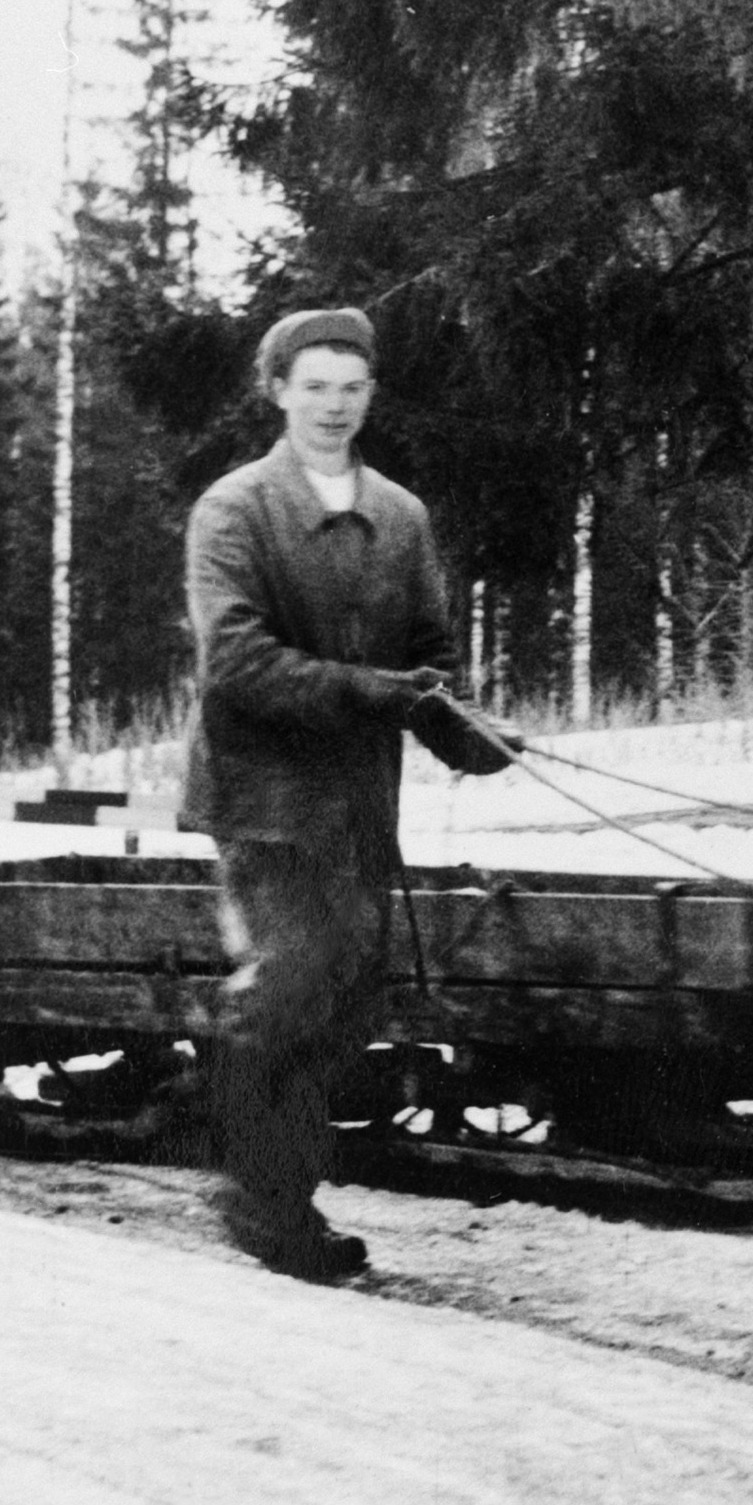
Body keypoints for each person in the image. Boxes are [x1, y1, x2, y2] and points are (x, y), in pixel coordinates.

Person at [180, 306, 516, 1280]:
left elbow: (428, 662)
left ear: (370, 395)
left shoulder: (402, 517)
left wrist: (468, 733)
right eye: (315, 384)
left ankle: (280, 1188)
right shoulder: (234, 510)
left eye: (352, 387)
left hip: (359, 798)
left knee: (350, 999)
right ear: (277, 388)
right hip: (263, 795)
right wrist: (377, 692)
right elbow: (238, 662)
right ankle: (259, 1190)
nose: (333, 405)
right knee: (295, 974)